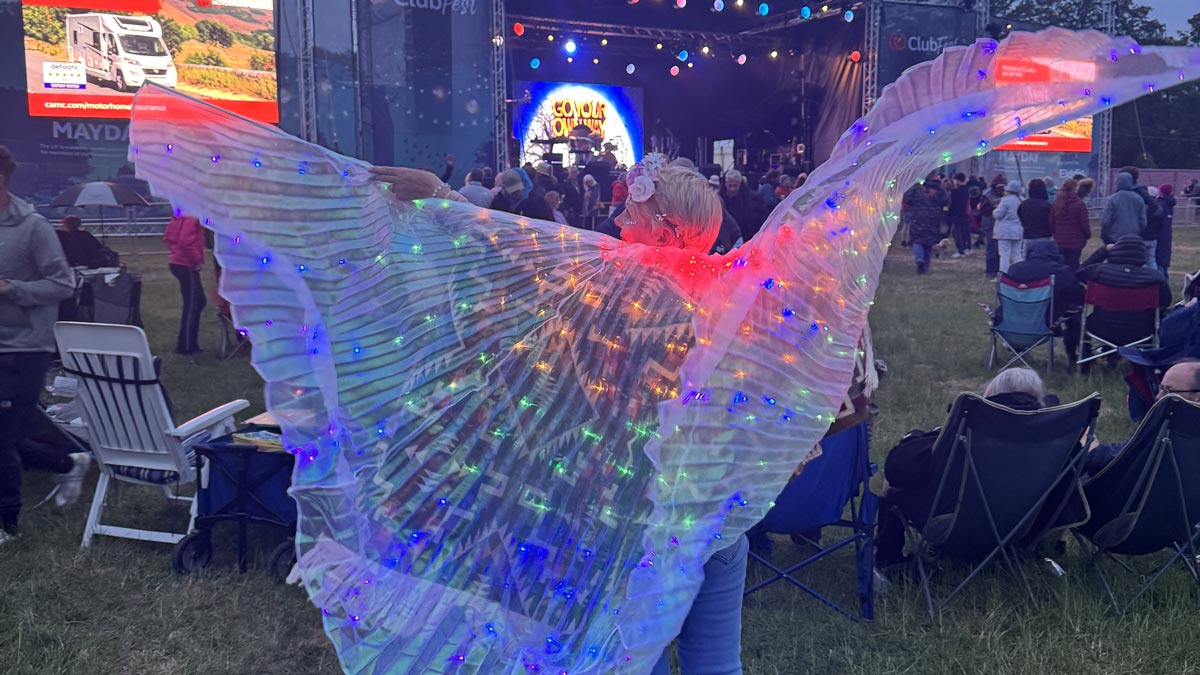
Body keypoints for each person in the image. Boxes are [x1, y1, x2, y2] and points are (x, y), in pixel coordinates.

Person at [875, 368, 1050, 567]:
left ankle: (887, 561)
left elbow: (896, 469)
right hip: (1019, 525)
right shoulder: (1053, 437)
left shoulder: (970, 430)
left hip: (957, 527)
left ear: (992, 394)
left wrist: (914, 438)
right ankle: (1029, 554)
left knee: (892, 486)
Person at [0, 145, 85, 544]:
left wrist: (11, 289)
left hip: (24, 346)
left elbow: (63, 284)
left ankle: (6, 524)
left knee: (3, 438)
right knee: (9, 434)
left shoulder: (33, 228)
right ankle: (68, 461)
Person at [1085, 362, 1200, 475]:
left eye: (1168, 391)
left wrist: (1088, 442)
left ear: (1197, 398)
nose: (1158, 396)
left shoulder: (1168, 436)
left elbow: (1102, 462)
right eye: (1160, 388)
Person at [1076, 234, 1172, 359]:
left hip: (1101, 327)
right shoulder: (1154, 277)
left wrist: (1103, 251)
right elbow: (1166, 301)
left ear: (1116, 251)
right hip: (1141, 330)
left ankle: (1087, 360)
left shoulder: (1099, 271)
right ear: (1142, 254)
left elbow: (1080, 272)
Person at [1005, 239, 1085, 363]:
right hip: (1048, 321)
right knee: (1075, 315)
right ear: (1055, 253)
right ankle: (1076, 358)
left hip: (1014, 321)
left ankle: (1017, 348)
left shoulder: (1015, 269)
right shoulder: (1062, 271)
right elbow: (1079, 295)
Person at [164, 210, 207, 354]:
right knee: (194, 303)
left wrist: (175, 252)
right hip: (186, 264)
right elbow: (185, 241)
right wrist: (196, 260)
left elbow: (168, 238)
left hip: (178, 262)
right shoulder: (192, 216)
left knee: (197, 301)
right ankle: (186, 346)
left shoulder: (179, 215)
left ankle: (189, 343)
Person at [903, 180, 944, 275]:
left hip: (918, 218)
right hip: (932, 219)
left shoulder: (917, 192)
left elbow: (906, 199)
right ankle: (925, 266)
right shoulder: (937, 193)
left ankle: (920, 259)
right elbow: (945, 200)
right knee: (928, 244)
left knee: (917, 241)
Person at [1048, 177, 1091, 270]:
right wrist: (1087, 236)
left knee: (1060, 267)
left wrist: (1055, 235)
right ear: (1075, 188)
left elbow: (1051, 223)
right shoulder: (1079, 204)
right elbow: (1084, 223)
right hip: (1075, 242)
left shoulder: (1056, 204)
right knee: (1073, 266)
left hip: (1060, 241)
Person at [1100, 172, 1146, 244]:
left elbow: (1106, 221)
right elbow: (1143, 222)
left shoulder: (1112, 199)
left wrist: (1105, 235)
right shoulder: (1139, 199)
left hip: (1115, 238)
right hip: (1133, 237)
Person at [721, 170, 766, 240]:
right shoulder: (719, 198)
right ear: (725, 184)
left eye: (735, 186)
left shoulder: (752, 198)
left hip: (746, 236)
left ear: (740, 184)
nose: (732, 189)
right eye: (730, 185)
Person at [992, 180, 1025, 273]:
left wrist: (994, 210)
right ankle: (1019, 274)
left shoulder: (1005, 200)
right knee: (1017, 254)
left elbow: (998, 215)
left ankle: (1003, 275)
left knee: (1004, 254)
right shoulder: (1022, 200)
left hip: (1005, 230)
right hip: (1018, 230)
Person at [977, 175, 1006, 278]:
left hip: (999, 224)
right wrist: (993, 208)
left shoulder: (1005, 194)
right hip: (989, 224)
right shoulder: (987, 195)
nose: (1000, 190)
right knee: (992, 247)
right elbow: (983, 210)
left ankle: (997, 269)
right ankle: (990, 271)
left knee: (999, 248)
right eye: (999, 188)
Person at [1018, 178, 1052, 245]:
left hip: (1028, 238)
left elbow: (1021, 218)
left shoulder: (1023, 204)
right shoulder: (1047, 205)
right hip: (1044, 237)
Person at [947, 173, 973, 257]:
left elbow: (951, 204)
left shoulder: (955, 191)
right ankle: (967, 248)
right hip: (966, 214)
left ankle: (960, 250)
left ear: (957, 180)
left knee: (956, 232)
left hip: (956, 214)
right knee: (965, 232)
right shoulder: (967, 190)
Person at [1155, 184, 1176, 277]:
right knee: (1164, 258)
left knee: (1158, 259)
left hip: (1159, 234)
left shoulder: (1161, 204)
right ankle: (1165, 277)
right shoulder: (1169, 203)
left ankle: (1161, 281)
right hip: (1167, 234)